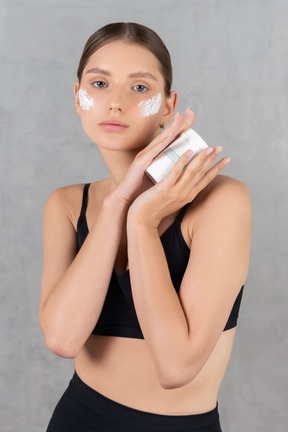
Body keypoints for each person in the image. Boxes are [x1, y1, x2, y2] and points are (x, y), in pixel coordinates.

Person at [39, 22, 252, 432]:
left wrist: (142, 220)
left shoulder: (222, 201)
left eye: (139, 88)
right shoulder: (66, 204)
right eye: (99, 83)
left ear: (169, 106)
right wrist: (120, 202)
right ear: (77, 98)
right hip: (77, 419)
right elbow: (63, 340)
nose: (115, 103)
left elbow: (176, 367)